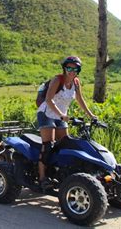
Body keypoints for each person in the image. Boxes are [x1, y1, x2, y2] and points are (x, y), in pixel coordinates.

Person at [37, 56, 96, 190]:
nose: (71, 71)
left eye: (75, 68)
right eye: (69, 68)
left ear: (78, 70)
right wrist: (61, 115)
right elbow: (49, 99)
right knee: (48, 145)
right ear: (64, 68)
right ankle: (42, 178)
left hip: (61, 116)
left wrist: (91, 115)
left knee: (65, 144)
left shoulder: (75, 82)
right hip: (47, 113)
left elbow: (81, 100)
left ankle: (59, 173)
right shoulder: (58, 80)